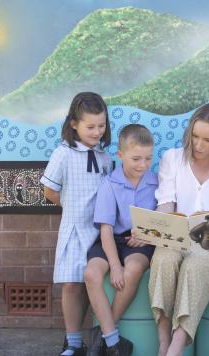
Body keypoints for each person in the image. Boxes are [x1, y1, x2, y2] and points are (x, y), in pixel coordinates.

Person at [148, 103, 209, 356]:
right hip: (178, 239)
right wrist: (160, 225)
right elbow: (166, 203)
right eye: (194, 136)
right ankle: (163, 340)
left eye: (207, 140)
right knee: (163, 258)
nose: (198, 145)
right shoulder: (172, 158)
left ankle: (176, 346)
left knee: (195, 264)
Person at [41, 92, 113, 356]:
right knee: (71, 284)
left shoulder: (105, 158)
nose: (96, 132)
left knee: (90, 282)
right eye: (90, 126)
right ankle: (72, 342)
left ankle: (100, 337)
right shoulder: (64, 153)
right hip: (74, 228)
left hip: (99, 233)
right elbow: (49, 190)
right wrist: (70, 207)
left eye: (101, 126)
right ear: (74, 124)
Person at [84, 124, 158, 356]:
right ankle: (114, 343)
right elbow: (105, 229)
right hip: (111, 240)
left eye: (148, 158)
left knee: (133, 269)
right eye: (136, 158)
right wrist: (114, 266)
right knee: (91, 273)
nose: (143, 165)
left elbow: (162, 220)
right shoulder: (110, 184)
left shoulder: (155, 181)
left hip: (140, 242)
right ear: (120, 155)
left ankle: (104, 335)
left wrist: (146, 235)